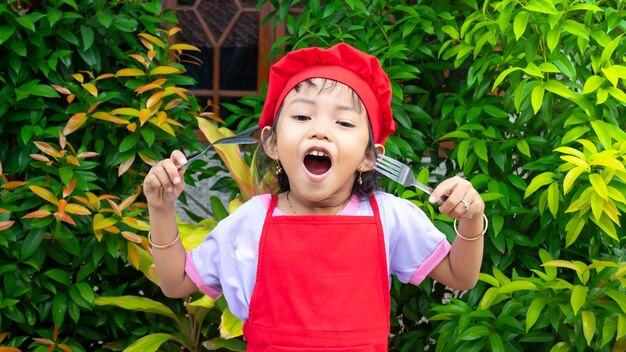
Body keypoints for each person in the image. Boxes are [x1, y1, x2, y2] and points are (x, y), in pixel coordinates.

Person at [143, 43, 485, 351]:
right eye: (302, 116)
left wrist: (471, 218)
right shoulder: (252, 220)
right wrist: (161, 208)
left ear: (369, 156)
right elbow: (177, 283)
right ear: (273, 143)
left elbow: (461, 276)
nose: (319, 130)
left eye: (344, 123)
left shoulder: (389, 217)